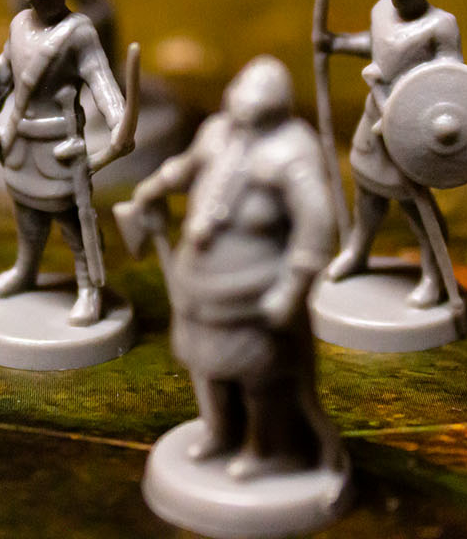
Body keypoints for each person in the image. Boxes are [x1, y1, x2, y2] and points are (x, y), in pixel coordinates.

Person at [120, 56, 345, 481]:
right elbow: (185, 169)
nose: (242, 109)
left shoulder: (293, 150)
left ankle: (269, 449)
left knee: (260, 377)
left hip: (256, 290)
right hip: (200, 281)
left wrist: (291, 288)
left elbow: (316, 223)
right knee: (209, 367)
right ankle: (222, 432)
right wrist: (153, 188)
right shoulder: (216, 133)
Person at [0, 0, 129, 327]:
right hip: (20, 138)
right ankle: (26, 270)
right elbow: (5, 72)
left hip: (60, 144)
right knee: (26, 212)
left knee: (73, 221)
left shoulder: (79, 32)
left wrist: (119, 121)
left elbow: (101, 80)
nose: (50, 0)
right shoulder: (18, 26)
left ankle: (88, 287)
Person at [318, 0, 462, 306]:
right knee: (367, 191)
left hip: (410, 125)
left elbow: (449, 74)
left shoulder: (441, 26)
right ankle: (358, 252)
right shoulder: (382, 10)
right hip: (374, 117)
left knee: (416, 205)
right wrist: (337, 43)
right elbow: (375, 44)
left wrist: (398, 90)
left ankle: (434, 275)